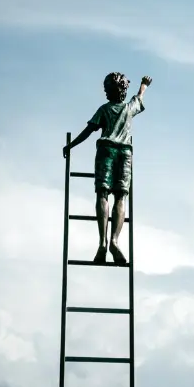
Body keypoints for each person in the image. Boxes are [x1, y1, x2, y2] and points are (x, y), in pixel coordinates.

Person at [63, 72, 152, 263]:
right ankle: (114, 240)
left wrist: (71, 146)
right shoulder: (129, 108)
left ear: (110, 91)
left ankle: (103, 242)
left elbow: (88, 130)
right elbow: (139, 97)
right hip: (125, 153)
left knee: (102, 194)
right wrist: (144, 85)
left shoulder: (104, 109)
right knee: (121, 196)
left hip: (106, 151)